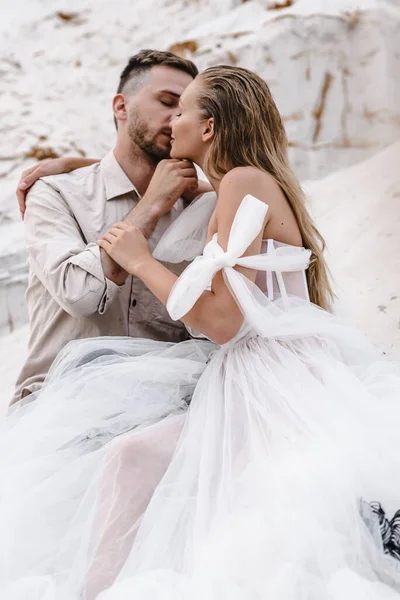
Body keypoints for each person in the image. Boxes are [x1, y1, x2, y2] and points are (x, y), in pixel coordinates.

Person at [2, 64, 400, 600]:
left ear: (208, 127)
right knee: (139, 464)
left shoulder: (240, 184)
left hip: (264, 380)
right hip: (249, 374)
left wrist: (141, 262)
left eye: (182, 109)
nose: (173, 121)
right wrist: (77, 166)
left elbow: (223, 319)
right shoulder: (238, 184)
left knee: (234, 515)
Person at [12, 48, 213, 404]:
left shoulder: (203, 208)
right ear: (121, 107)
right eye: (167, 102)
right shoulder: (55, 192)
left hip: (166, 410)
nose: (177, 118)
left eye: (186, 110)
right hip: (57, 406)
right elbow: (80, 294)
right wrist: (151, 205)